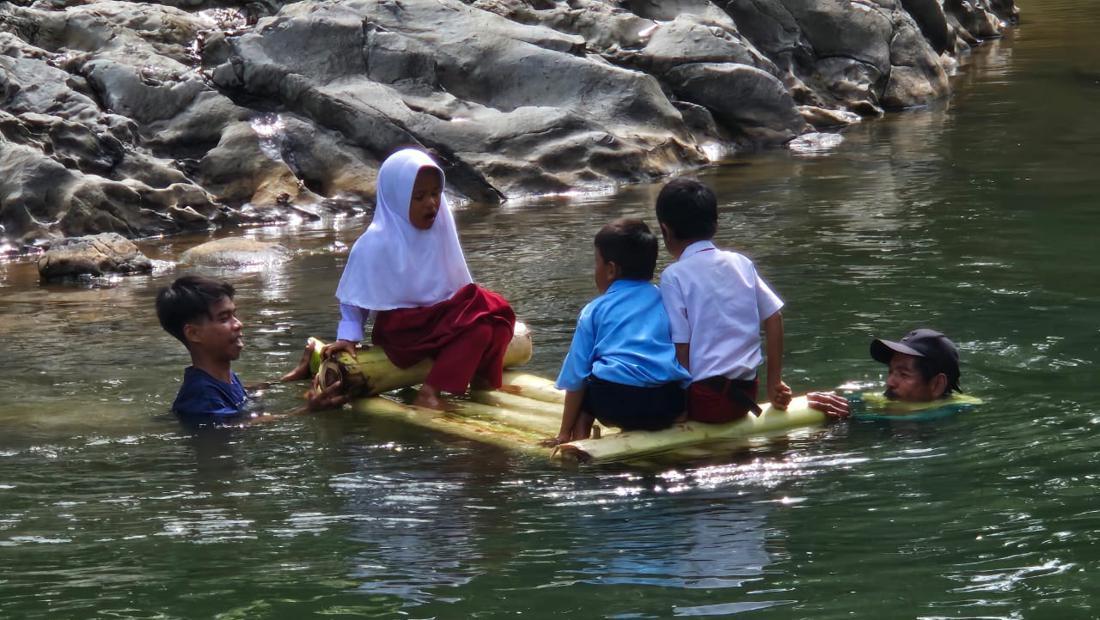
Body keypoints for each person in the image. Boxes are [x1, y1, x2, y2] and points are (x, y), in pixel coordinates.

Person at [322, 148, 516, 410]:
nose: (432, 204)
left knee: (497, 315)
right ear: (397, 199)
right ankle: (430, 394)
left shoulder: (440, 228)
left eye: (436, 194)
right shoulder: (376, 241)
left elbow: (455, 283)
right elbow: (355, 296)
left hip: (439, 319)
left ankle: (480, 380)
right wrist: (348, 336)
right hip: (403, 329)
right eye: (419, 197)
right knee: (479, 318)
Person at [654, 178, 792, 424]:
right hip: (745, 395)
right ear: (715, 225)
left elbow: (681, 347)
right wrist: (774, 383)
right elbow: (774, 317)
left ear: (665, 230)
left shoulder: (673, 276)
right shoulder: (740, 262)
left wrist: (680, 407)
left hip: (706, 400)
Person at [545, 218, 692, 446]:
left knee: (587, 390)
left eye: (596, 263)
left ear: (611, 269)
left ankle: (578, 441)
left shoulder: (594, 310)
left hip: (614, 401)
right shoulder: (667, 299)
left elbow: (575, 377)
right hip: (666, 404)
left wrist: (562, 432)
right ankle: (680, 426)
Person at [156, 274, 347, 423]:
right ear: (194, 334)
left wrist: (290, 378)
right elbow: (236, 426)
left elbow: (246, 395)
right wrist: (308, 411)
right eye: (224, 318)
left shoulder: (221, 379)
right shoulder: (201, 395)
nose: (238, 324)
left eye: (234, 315)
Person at [804, 328, 964, 417]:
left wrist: (851, 419)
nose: (890, 382)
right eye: (891, 371)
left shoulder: (952, 416)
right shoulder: (888, 400)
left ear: (937, 385)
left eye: (903, 374)